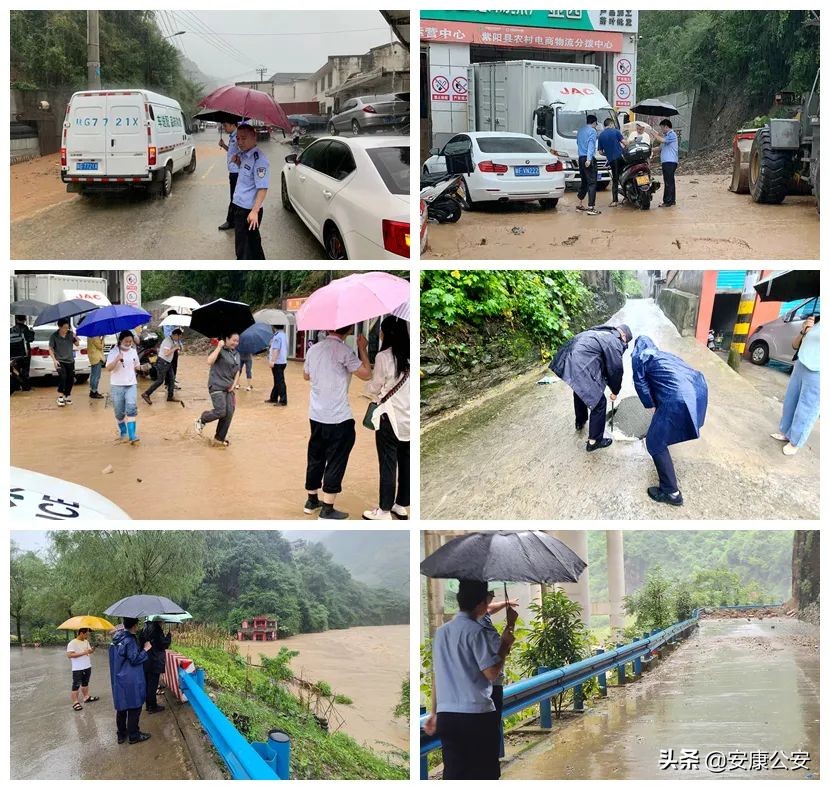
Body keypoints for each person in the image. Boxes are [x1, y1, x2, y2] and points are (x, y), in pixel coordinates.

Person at [423, 580, 517, 780]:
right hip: (476, 716)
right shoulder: (476, 632)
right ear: (482, 603)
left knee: (455, 774)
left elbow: (437, 676)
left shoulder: (441, 633)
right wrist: (504, 645)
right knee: (484, 773)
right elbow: (491, 673)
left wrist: (433, 712)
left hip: (447, 716)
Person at [303, 325, 372, 520]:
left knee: (315, 455)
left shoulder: (313, 350)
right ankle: (327, 508)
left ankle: (311, 501)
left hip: (316, 414)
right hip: (338, 417)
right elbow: (366, 374)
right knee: (336, 459)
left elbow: (306, 375)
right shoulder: (344, 351)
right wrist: (363, 349)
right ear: (348, 330)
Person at [632, 335, 708, 506]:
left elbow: (640, 383)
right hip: (698, 389)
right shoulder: (664, 355)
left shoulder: (640, 357)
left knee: (654, 442)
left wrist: (650, 405)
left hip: (677, 396)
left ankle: (671, 492)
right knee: (665, 428)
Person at [550, 324, 633, 452]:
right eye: (625, 343)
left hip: (565, 356)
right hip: (579, 362)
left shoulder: (602, 332)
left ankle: (580, 421)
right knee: (599, 403)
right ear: (623, 336)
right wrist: (615, 391)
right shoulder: (614, 341)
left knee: (580, 390)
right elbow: (615, 369)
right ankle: (594, 441)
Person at [363, 316, 410, 520]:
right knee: (406, 463)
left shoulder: (384, 357)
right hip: (409, 418)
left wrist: (363, 351)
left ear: (386, 334)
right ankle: (400, 505)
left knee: (388, 463)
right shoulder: (411, 355)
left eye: (381, 331)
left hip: (389, 418)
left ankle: (383, 511)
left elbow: (374, 387)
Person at [772, 315, 820, 456]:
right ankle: (786, 432)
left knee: (807, 408)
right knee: (790, 401)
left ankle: (796, 441)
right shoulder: (816, 321)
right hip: (801, 363)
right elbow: (795, 345)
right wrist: (804, 331)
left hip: (818, 371)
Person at [480, 590, 519, 755]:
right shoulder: (481, 626)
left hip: (481, 689)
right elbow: (499, 655)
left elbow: (489, 609)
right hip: (490, 688)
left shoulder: (476, 618)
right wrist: (510, 625)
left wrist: (505, 604)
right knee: (489, 741)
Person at [109, 618, 152, 744]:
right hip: (131, 678)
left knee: (122, 706)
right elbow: (134, 659)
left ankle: (121, 734)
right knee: (135, 706)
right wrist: (145, 649)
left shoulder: (116, 640)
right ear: (134, 625)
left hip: (118, 677)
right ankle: (134, 734)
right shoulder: (130, 640)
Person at [194, 332, 241, 446]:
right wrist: (219, 347)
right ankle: (202, 419)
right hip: (217, 386)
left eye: (237, 341)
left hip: (229, 388)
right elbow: (209, 361)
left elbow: (238, 370)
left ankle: (219, 438)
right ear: (226, 338)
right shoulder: (219, 350)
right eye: (233, 340)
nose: (235, 343)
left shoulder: (236, 354)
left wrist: (234, 385)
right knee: (221, 411)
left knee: (229, 413)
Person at [231, 123, 269, 260]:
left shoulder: (260, 160)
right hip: (240, 206)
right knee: (252, 244)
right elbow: (248, 176)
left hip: (248, 211)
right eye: (238, 138)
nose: (240, 142)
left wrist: (255, 211)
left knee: (243, 247)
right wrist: (238, 163)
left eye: (244, 138)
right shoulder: (245, 155)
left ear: (254, 137)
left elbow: (263, 187)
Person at [105, 330, 143, 444]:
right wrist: (117, 359)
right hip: (117, 385)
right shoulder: (113, 352)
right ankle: (123, 431)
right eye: (126, 341)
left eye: (130, 341)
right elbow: (108, 368)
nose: (128, 343)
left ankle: (132, 436)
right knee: (119, 412)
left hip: (131, 384)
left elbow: (137, 366)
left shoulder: (133, 351)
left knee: (131, 409)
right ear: (121, 340)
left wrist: (145, 368)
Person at [142, 328, 182, 405]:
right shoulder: (168, 341)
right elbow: (166, 353)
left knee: (171, 379)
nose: (179, 338)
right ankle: (146, 394)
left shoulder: (172, 340)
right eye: (179, 336)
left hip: (168, 363)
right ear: (176, 335)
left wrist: (177, 347)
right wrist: (175, 348)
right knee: (160, 380)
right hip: (162, 362)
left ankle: (170, 396)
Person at [139, 620, 171, 714]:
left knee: (148, 684)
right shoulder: (157, 629)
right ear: (159, 620)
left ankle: (148, 705)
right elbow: (163, 644)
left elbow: (141, 643)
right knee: (152, 686)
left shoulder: (144, 629)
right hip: (155, 661)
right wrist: (168, 637)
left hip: (145, 661)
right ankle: (152, 706)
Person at [67, 628, 100, 711]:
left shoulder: (86, 642)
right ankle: (75, 702)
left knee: (85, 683)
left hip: (87, 666)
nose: (87, 636)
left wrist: (92, 649)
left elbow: (89, 652)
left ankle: (86, 697)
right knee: (76, 685)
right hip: (77, 668)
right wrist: (83, 653)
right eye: (86, 634)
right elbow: (69, 655)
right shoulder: (72, 643)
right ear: (81, 633)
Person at [48, 318, 79, 406]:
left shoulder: (70, 334)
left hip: (70, 360)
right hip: (60, 361)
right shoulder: (54, 336)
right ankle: (60, 396)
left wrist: (75, 336)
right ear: (59, 327)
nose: (66, 329)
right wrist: (54, 360)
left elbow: (77, 344)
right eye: (64, 328)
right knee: (63, 377)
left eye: (67, 327)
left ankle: (67, 395)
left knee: (70, 379)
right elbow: (50, 349)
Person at [217, 119, 241, 231]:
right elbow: (232, 152)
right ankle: (236, 221)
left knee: (234, 197)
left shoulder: (238, 137)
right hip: (233, 171)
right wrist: (224, 145)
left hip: (237, 172)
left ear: (233, 125)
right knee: (235, 197)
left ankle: (231, 222)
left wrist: (238, 160)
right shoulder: (232, 137)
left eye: (225, 125)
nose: (224, 128)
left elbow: (243, 153)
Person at [575, 114, 601, 216]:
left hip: (581, 158)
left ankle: (580, 204)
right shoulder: (592, 131)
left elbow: (577, 142)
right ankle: (591, 207)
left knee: (584, 181)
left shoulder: (580, 130)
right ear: (594, 122)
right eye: (595, 124)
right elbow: (591, 145)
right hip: (588, 159)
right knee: (592, 183)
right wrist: (589, 159)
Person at [597, 118, 626, 208]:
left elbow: (600, 152)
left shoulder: (601, 136)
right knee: (626, 174)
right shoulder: (616, 131)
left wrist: (608, 153)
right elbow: (625, 143)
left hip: (612, 160)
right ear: (611, 124)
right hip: (621, 158)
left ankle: (615, 201)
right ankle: (627, 195)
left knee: (615, 179)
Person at [653, 118, 679, 207]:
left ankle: (667, 201)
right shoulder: (666, 136)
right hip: (667, 162)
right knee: (670, 181)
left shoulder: (672, 134)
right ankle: (672, 200)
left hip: (670, 162)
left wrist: (654, 134)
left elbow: (662, 140)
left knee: (668, 182)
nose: (661, 130)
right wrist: (649, 149)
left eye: (662, 128)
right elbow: (659, 148)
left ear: (666, 127)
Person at [10, 315, 34, 391]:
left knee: (15, 370)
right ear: (25, 319)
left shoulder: (11, 329)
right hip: (25, 353)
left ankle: (16, 386)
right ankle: (25, 386)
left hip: (14, 354)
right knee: (25, 370)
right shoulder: (26, 329)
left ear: (16, 319)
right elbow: (31, 339)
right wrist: (32, 332)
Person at [266, 324, 288, 405]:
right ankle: (273, 397)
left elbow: (276, 349)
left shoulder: (277, 336)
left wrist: (272, 361)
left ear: (274, 327)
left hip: (278, 362)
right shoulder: (284, 335)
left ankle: (283, 400)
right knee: (277, 380)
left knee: (280, 381)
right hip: (282, 361)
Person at [162, 312, 183, 390]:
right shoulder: (170, 325)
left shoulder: (171, 324)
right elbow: (171, 336)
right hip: (171, 348)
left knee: (171, 365)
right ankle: (170, 383)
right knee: (172, 365)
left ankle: (169, 382)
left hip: (172, 347)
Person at [86, 335, 106, 399]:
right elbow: (100, 346)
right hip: (97, 358)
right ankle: (94, 391)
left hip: (93, 357)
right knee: (96, 376)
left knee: (93, 375)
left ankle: (92, 390)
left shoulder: (90, 336)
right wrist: (103, 338)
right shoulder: (95, 337)